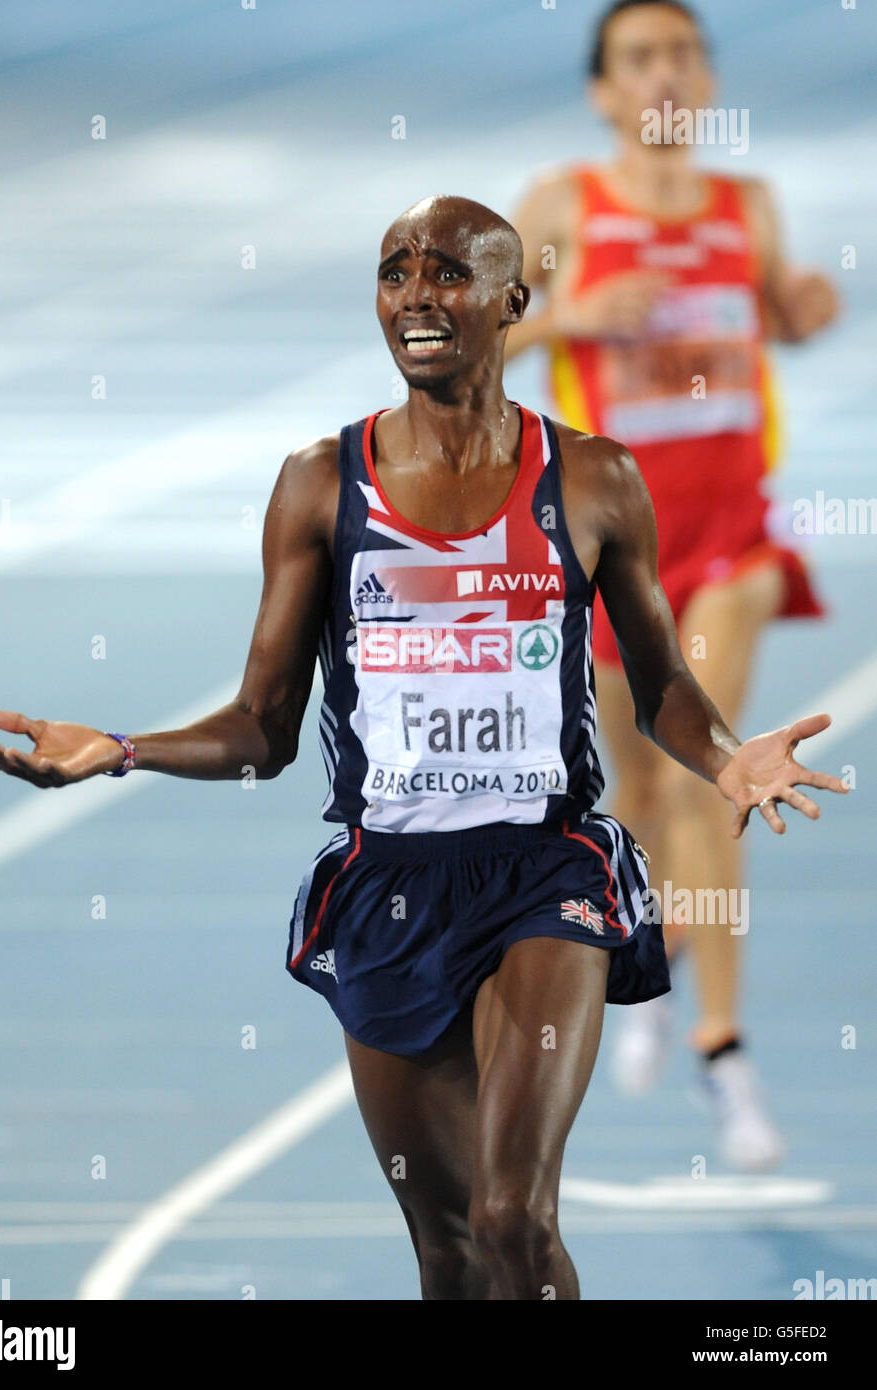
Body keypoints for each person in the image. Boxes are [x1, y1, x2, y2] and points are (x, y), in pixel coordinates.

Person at [0, 195, 846, 1301]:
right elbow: (263, 728)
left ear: (511, 302)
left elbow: (660, 684)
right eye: (394, 273)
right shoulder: (319, 485)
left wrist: (724, 756)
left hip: (546, 872)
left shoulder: (589, 480)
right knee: (448, 1250)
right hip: (388, 884)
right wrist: (123, 748)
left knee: (512, 1216)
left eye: (447, 274)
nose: (417, 296)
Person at [506, 0, 840, 1169]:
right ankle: (655, 967)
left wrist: (802, 313)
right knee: (638, 793)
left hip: (734, 533)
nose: (663, 74)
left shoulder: (744, 206)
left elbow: (779, 315)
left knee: (712, 770)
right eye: (639, 58)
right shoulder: (559, 207)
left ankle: (722, 1050)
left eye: (681, 55)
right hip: (616, 542)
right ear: (603, 90)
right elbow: (451, 337)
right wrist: (569, 318)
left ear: (702, 80)